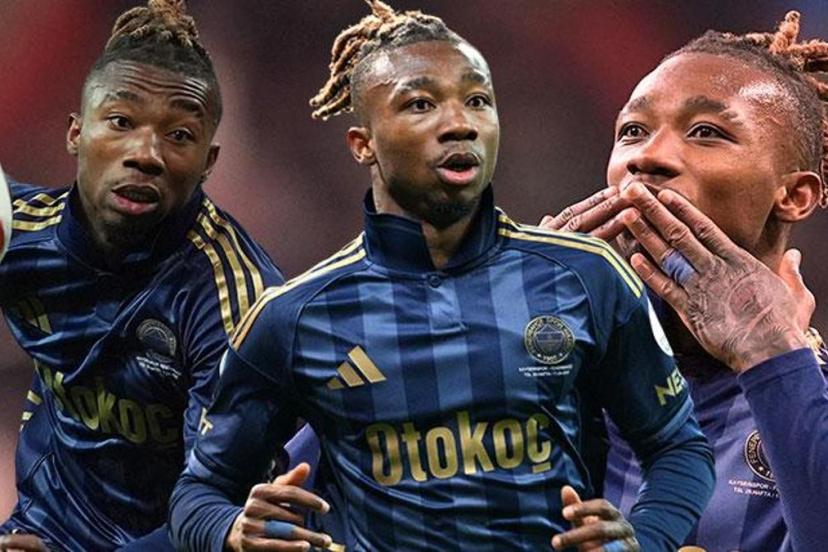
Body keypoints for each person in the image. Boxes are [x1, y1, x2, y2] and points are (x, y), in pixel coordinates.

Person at [169, 2, 714, 550]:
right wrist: (229, 530)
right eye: (421, 104)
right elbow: (200, 490)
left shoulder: (588, 276)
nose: (460, 124)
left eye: (478, 101)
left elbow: (679, 448)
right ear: (363, 144)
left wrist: (646, 539)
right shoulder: (293, 317)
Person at [0, 1, 282, 549]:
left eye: (179, 135)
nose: (146, 154)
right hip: (37, 532)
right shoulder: (20, 235)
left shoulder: (235, 301)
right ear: (75, 132)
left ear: (209, 162)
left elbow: (219, 511)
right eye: (121, 122)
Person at [542, 11, 828, 551]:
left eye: (706, 133)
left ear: (794, 195)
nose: (648, 156)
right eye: (633, 131)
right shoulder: (550, 367)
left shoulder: (817, 401)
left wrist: (773, 357)